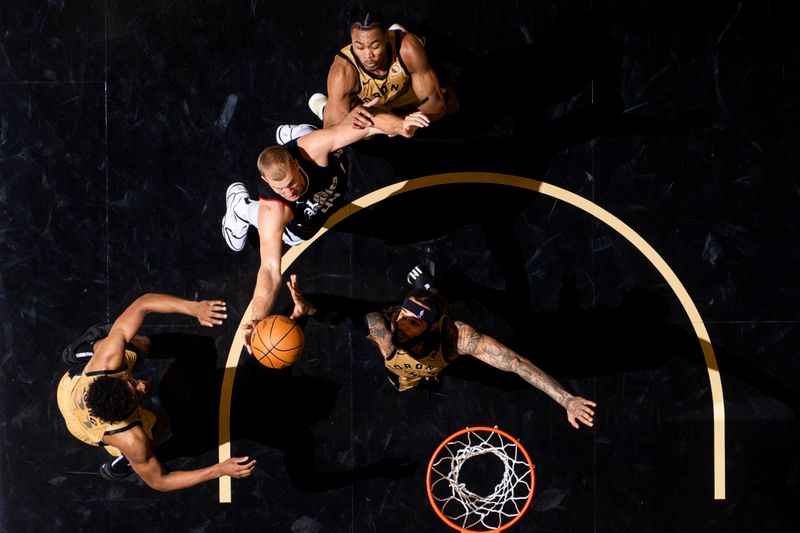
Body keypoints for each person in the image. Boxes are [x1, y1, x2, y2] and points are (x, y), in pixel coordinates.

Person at [221, 106, 429, 353]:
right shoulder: (275, 209)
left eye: (290, 183)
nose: (289, 192)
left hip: (318, 163)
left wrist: (400, 127)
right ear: (267, 182)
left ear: (297, 164)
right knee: (293, 235)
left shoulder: (313, 149)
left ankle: (297, 135)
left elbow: (369, 124)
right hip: (298, 223)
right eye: (280, 189)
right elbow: (269, 270)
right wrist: (256, 318)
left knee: (330, 133)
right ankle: (241, 207)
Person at [284, 268, 597, 430]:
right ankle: (427, 286)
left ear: (432, 328)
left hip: (440, 349)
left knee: (439, 301)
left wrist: (566, 399)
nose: (403, 326)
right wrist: (309, 308)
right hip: (408, 372)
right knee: (423, 309)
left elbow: (515, 363)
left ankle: (432, 288)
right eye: (403, 318)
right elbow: (343, 317)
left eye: (413, 323)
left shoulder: (460, 339)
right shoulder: (386, 330)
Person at [56, 293, 257, 491]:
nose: (142, 386)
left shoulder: (106, 363)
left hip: (68, 388)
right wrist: (219, 470)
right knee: (158, 424)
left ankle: (84, 349)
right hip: (83, 427)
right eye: (136, 396)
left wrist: (193, 308)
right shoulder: (128, 437)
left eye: (132, 383)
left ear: (114, 378)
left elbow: (143, 304)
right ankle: (126, 462)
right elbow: (159, 481)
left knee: (138, 345)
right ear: (125, 415)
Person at [276, 11, 458, 144]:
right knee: (363, 136)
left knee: (450, 105)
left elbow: (436, 101)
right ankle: (325, 107)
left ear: (386, 38)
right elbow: (331, 133)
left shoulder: (408, 46)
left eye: (374, 45)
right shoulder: (343, 71)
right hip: (369, 108)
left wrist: (414, 119)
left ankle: (398, 119)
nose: (367, 55)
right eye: (359, 47)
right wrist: (350, 119)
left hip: (401, 93)